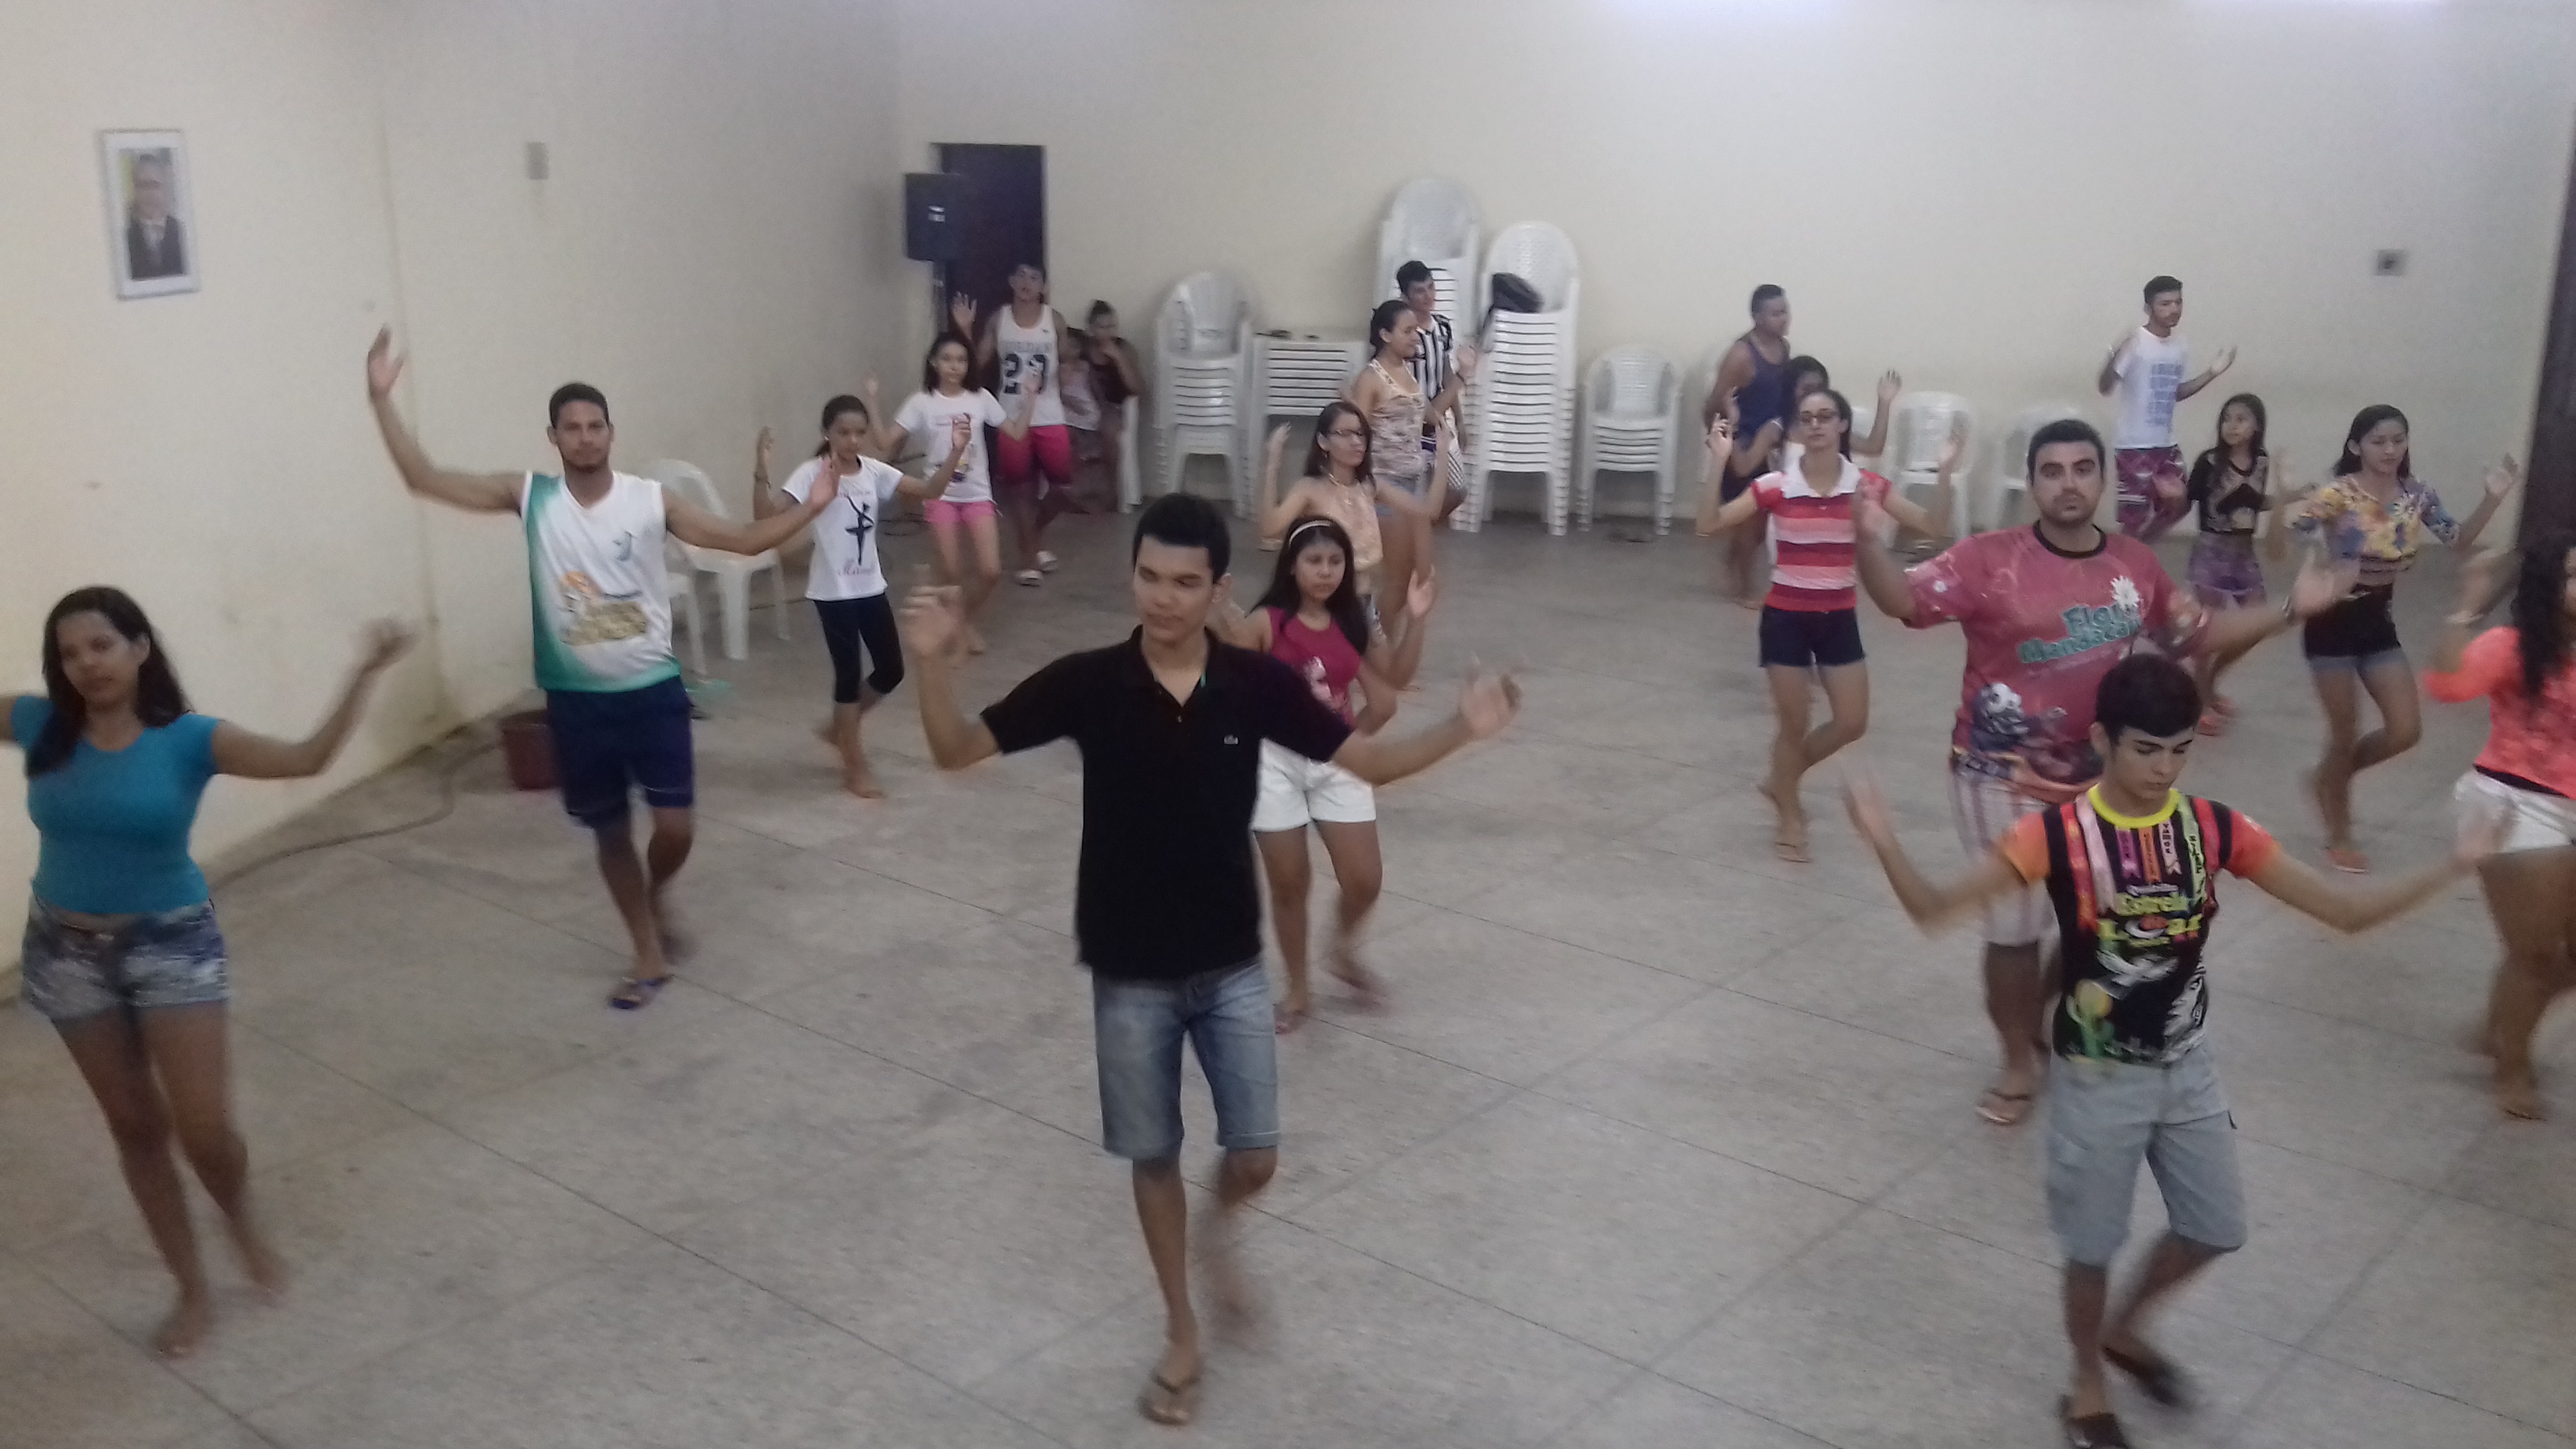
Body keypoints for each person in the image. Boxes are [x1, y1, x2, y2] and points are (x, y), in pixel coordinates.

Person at [897, 492, 1520, 1426]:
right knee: (1153, 1156)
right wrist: (930, 662)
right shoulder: (1086, 683)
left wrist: (1463, 729)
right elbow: (954, 751)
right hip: (1129, 968)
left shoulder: (1254, 685)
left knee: (1256, 1157)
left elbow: (1368, 763)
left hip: (1228, 961)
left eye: (1186, 583)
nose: (1164, 598)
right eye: (1150, 577)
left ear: (1219, 588)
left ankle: (1217, 1229)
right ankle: (1181, 1330)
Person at [1847, 653, 2503, 1449]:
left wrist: (2455, 866)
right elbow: (1934, 911)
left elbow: (2344, 913)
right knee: (2091, 1248)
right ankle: (2087, 1383)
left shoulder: (2214, 828)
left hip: (2187, 1066)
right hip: (2096, 1076)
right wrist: (1885, 843)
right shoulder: (2055, 835)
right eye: (2145, 749)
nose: (2162, 769)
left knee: (2216, 1227)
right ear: (2103, 740)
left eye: (2179, 750)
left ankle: (2125, 1330)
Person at [1851, 417, 2340, 1125]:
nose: (2069, 484)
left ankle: (2042, 1013)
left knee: (2097, 917)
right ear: (2033, 482)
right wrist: (1867, 541)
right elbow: (1902, 601)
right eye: (2052, 471)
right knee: (2015, 926)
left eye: (2083, 469)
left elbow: (2197, 634)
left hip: (2100, 779)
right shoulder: (1988, 558)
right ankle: (2017, 1060)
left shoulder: (2132, 565)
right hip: (2000, 773)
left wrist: (2294, 608)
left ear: (2102, 479)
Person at [365, 327, 837, 1006]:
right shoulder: (530, 496)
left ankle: (657, 893)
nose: (585, 438)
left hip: (651, 692)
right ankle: (646, 955)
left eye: (595, 427)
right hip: (576, 701)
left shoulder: (650, 500)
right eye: (572, 428)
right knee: (610, 830)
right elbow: (425, 479)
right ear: (553, 437)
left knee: (675, 828)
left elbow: (739, 540)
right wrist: (381, 400)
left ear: (611, 433)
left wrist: (813, 508)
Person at [8, 589, 411, 1357]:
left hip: (171, 943)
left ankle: (240, 1221)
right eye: (70, 653)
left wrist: (364, 672)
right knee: (135, 1127)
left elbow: (305, 758)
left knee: (206, 1131)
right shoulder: (40, 725)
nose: (87, 663)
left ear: (139, 649)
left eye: (102, 645)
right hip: (65, 951)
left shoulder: (190, 740)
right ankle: (190, 1287)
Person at [1696, 393, 1956, 860]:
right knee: (1794, 724)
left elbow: (1933, 525)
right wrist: (1718, 460)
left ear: (1841, 425)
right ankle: (1790, 814)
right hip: (1786, 619)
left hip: (1838, 617)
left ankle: (1782, 778)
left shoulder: (1866, 487)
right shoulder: (1777, 485)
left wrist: (1944, 472)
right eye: (1807, 418)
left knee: (1852, 721)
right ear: (1798, 429)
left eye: (1826, 417)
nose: (1815, 425)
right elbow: (1708, 524)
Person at [1218, 517, 1436, 1029]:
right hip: (1273, 761)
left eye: (1335, 561)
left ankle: (1341, 950)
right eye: (1314, 561)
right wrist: (1216, 608)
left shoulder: (1352, 622)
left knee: (1365, 880)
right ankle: (1298, 991)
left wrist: (1418, 617)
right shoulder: (1270, 621)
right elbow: (1227, 664)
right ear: (1292, 566)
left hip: (1337, 759)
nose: (1325, 571)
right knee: (1289, 883)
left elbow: (1395, 680)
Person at [2293, 405, 2519, 872]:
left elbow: (2457, 538)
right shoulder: (2338, 493)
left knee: (2405, 731)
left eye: (2398, 440)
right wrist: (2292, 516)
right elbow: (2292, 538)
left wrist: (2493, 498)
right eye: (2379, 441)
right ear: (2356, 446)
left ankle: (2328, 779)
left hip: (2378, 621)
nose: (2390, 450)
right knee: (2344, 733)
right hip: (2331, 622)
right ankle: (2339, 829)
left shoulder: (2417, 495)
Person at [751, 396, 974, 797]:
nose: (852, 440)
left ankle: (840, 727)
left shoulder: (873, 471)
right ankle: (854, 766)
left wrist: (956, 450)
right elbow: (765, 517)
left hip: (870, 586)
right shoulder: (812, 473)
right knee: (848, 675)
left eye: (859, 433)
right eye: (843, 433)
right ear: (827, 433)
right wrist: (761, 468)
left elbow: (930, 490)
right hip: (833, 592)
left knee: (891, 670)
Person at [2426, 534, 2576, 1119]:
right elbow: (2448, 686)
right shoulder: (2514, 646)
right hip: (2516, 802)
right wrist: (2465, 611)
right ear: (2548, 586)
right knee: (2535, 955)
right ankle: (2511, 1064)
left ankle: (2501, 1026)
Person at [884, 332, 1027, 656]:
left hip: (978, 494)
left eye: (961, 360)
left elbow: (1017, 433)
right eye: (947, 359)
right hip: (940, 495)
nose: (954, 366)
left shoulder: (980, 398)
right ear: (934, 363)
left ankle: (961, 621)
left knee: (991, 571)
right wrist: (871, 399)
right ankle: (959, 627)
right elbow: (884, 440)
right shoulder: (921, 401)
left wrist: (1030, 399)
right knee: (950, 572)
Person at [1254, 402, 1436, 629]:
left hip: (1364, 603)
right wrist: (1272, 463)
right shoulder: (1310, 489)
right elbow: (1269, 528)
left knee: (1382, 650)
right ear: (1323, 441)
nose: (1356, 442)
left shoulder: (1370, 487)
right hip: (1325, 606)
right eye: (1345, 434)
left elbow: (1428, 510)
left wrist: (1444, 451)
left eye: (1360, 434)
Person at [2178, 395, 2296, 733]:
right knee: (2206, 634)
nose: (2231, 426)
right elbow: (2186, 500)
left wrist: (2291, 495)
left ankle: (2211, 682)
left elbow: (2253, 502)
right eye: (2227, 419)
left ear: (2256, 426)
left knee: (2259, 624)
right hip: (2211, 554)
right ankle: (2200, 701)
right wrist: (2167, 501)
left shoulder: (2261, 461)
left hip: (2244, 555)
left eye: (2241, 419)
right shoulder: (2209, 461)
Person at [2096, 275, 2235, 539]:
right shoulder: (2136, 342)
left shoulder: (2180, 345)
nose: (2174, 309)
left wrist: (2212, 373)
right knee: (2134, 518)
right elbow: (2104, 388)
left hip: (2166, 443)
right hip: (2134, 444)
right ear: (2148, 308)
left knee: (2181, 501)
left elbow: (2176, 393)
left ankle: (2141, 549)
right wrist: (2112, 355)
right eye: (2165, 304)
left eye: (2178, 302)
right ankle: (2128, 556)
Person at [961, 268, 1076, 586]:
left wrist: (1068, 371)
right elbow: (977, 363)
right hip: (1011, 416)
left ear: (1044, 286)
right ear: (1011, 282)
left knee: (1064, 488)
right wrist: (966, 330)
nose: (1027, 284)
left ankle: (1033, 538)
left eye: (1034, 278)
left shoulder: (1054, 320)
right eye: (1021, 277)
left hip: (1049, 413)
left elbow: (1067, 357)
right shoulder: (999, 320)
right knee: (1020, 489)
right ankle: (1028, 557)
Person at [1346, 301, 1459, 614]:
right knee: (1397, 581)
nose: (1415, 337)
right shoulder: (1371, 379)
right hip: (1387, 486)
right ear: (1385, 335)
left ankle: (1390, 639)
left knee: (1422, 579)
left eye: (1416, 331)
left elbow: (1430, 414)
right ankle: (1378, 641)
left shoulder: (1406, 372)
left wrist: (1462, 377)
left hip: (1414, 481)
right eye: (1407, 331)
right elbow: (1355, 434)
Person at [1703, 285, 1798, 605]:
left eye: (1786, 311)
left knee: (1761, 525)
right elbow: (1713, 404)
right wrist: (1723, 444)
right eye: (1776, 313)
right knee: (1748, 520)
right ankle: (1745, 588)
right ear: (1757, 317)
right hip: (1742, 445)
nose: (1784, 318)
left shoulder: (1784, 349)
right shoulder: (1741, 355)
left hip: (1768, 445)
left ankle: (1732, 562)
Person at [1395, 261, 1475, 523]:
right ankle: (1414, 534)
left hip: (1438, 420)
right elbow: (1418, 400)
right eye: (1420, 291)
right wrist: (1464, 374)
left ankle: (1423, 529)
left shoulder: (1442, 327)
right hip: (1409, 425)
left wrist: (1459, 420)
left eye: (1431, 287)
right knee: (1415, 495)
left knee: (1458, 490)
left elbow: (1446, 374)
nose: (1429, 296)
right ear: (1405, 297)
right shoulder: (1404, 337)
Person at [1073, 300, 1146, 504]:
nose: (1108, 332)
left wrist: (1119, 359)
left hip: (1117, 407)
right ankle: (1072, 491)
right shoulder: (1083, 350)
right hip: (1086, 406)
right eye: (1102, 327)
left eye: (1112, 326)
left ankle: (1111, 489)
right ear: (1091, 329)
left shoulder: (1124, 348)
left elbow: (1138, 389)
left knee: (1109, 429)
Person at [124, 152, 188, 280]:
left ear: (166, 189)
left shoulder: (183, 233)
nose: (149, 193)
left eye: (154, 185)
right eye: (142, 186)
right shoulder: (125, 239)